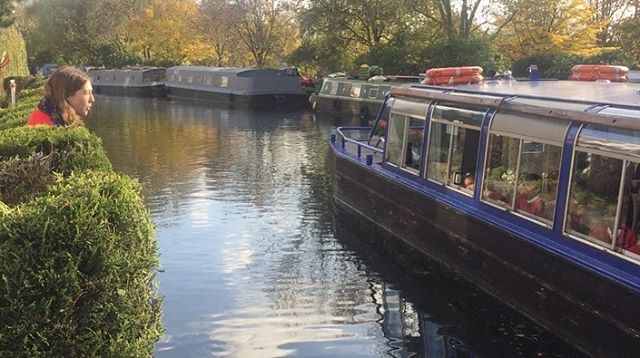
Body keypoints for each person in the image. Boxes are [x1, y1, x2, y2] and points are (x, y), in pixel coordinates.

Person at [27, 66, 94, 127]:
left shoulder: (60, 117)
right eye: (87, 93)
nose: (92, 99)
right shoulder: (41, 123)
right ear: (67, 94)